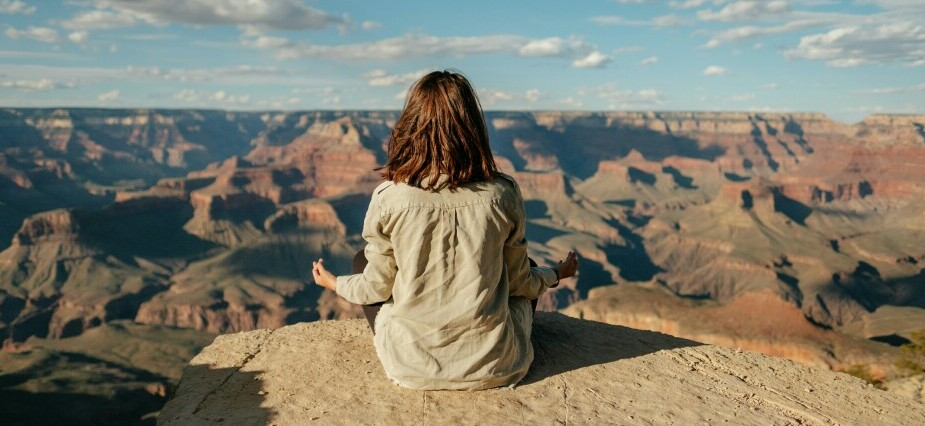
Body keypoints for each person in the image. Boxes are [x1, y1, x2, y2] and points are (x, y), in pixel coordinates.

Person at [311, 69, 578, 391]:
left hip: (410, 369)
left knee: (361, 262)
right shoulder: (502, 193)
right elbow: (520, 282)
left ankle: (415, 350)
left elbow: (376, 288)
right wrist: (555, 274)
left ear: (410, 126)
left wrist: (333, 283)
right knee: (530, 266)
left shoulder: (389, 196)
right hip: (498, 367)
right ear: (473, 127)